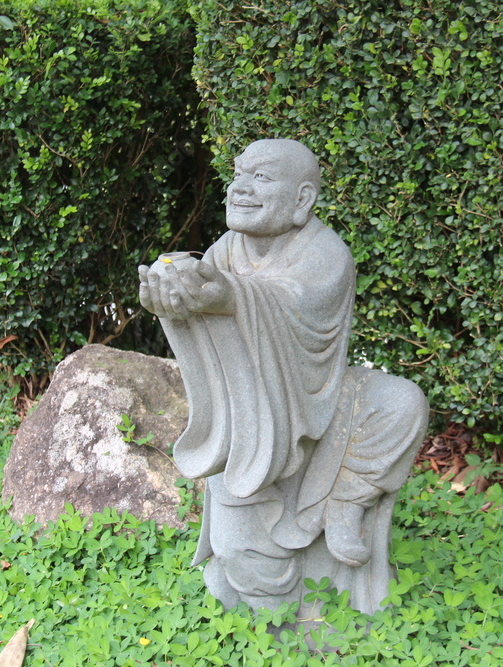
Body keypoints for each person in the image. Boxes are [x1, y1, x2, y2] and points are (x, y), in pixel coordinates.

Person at [138, 139, 428, 614]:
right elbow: (212, 300)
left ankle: (346, 502)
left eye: (261, 178)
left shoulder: (326, 253)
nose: (240, 188)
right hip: (253, 415)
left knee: (402, 402)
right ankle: (268, 624)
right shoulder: (226, 249)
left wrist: (229, 296)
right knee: (243, 556)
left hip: (321, 401)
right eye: (238, 174)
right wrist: (175, 297)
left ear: (302, 200)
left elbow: (290, 302)